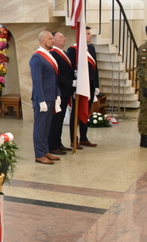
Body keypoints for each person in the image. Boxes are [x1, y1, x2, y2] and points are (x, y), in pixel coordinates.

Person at [29, 31, 61, 164]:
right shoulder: (37, 57)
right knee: (40, 127)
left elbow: (54, 78)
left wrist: (57, 94)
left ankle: (46, 150)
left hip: (51, 97)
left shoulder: (48, 55)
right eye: (50, 39)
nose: (53, 41)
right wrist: (41, 100)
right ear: (42, 41)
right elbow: (37, 81)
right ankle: (39, 154)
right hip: (42, 98)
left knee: (47, 127)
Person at [67, 26, 100, 148]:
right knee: (76, 113)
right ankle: (73, 139)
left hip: (90, 87)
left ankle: (84, 137)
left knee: (86, 111)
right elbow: (71, 70)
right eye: (87, 34)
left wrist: (96, 85)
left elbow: (95, 69)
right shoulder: (73, 50)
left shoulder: (91, 49)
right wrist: (73, 86)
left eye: (90, 33)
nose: (90, 36)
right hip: (79, 87)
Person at [47, 32, 74, 154]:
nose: (64, 38)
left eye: (64, 36)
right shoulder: (53, 53)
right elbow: (57, 74)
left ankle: (58, 142)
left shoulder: (63, 53)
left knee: (60, 119)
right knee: (56, 120)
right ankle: (52, 145)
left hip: (65, 91)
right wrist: (70, 83)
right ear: (54, 41)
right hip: (60, 91)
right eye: (61, 37)